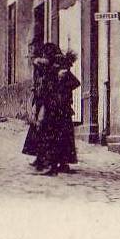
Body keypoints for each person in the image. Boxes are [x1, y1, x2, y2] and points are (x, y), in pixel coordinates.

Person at [41, 48, 80, 176]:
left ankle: (57, 166)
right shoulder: (53, 74)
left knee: (58, 138)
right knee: (61, 138)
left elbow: (75, 83)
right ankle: (59, 164)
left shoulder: (65, 76)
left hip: (61, 111)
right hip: (57, 111)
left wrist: (64, 79)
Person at [22, 41, 55, 171]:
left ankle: (45, 160)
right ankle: (40, 158)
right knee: (37, 130)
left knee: (43, 129)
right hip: (40, 99)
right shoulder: (38, 66)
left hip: (47, 101)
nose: (30, 53)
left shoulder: (45, 65)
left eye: (31, 50)